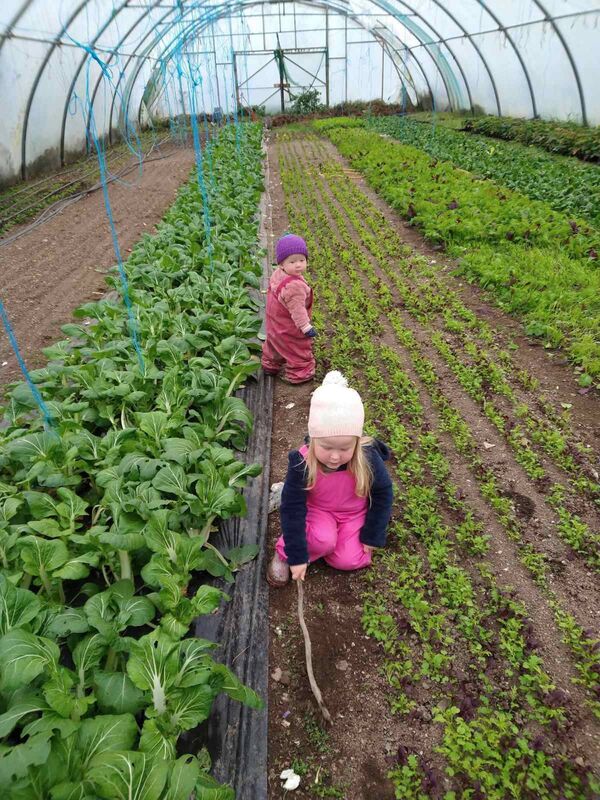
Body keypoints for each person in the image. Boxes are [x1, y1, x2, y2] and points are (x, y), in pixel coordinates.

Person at [267, 371, 394, 586]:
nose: (335, 457)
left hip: (353, 513)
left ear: (357, 441)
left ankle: (328, 544)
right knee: (323, 540)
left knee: (349, 560)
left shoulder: (368, 458)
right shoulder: (303, 462)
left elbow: (383, 494)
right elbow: (293, 508)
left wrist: (373, 533)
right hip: (319, 510)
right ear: (314, 440)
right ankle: (284, 553)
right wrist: (297, 556)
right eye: (326, 448)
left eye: (345, 448)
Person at [261, 233, 316, 384]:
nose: (298, 264)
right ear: (281, 264)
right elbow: (297, 310)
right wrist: (305, 327)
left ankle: (270, 365)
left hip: (274, 321)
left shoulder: (278, 274)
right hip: (288, 324)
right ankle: (300, 373)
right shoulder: (295, 287)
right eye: (292, 261)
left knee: (274, 342)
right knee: (296, 347)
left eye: (302, 260)